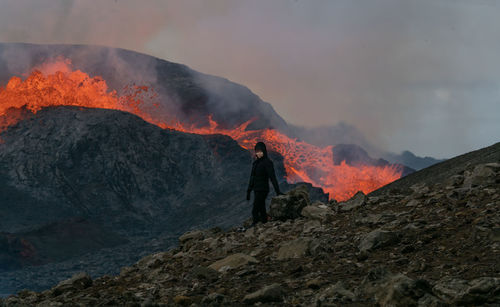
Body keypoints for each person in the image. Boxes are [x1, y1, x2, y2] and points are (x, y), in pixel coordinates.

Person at [246, 141, 284, 226]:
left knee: (255, 209)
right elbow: (252, 177)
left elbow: (272, 177)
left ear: (264, 151)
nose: (258, 153)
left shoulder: (267, 163)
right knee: (261, 207)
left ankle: (255, 224)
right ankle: (264, 222)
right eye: (257, 151)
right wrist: (249, 191)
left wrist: (277, 191)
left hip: (263, 189)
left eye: (260, 151)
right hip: (256, 189)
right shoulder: (256, 163)